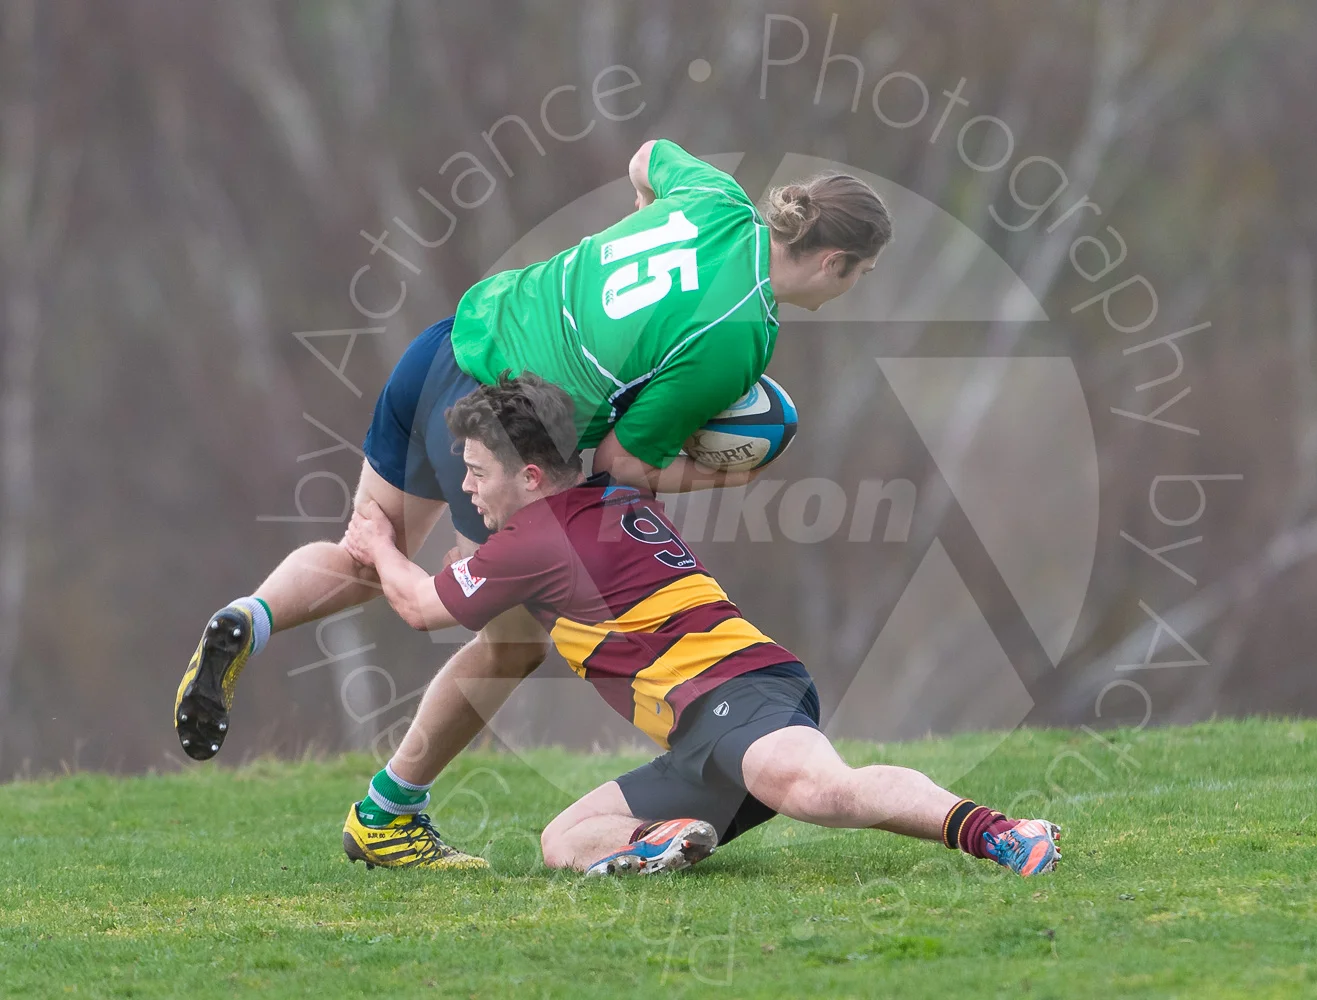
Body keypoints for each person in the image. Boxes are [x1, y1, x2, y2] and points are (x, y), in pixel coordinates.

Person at [173, 140, 893, 773]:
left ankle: (250, 616)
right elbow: (618, 467)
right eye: (861, 273)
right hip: (507, 426)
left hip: (454, 338)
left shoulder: (717, 195)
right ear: (832, 261)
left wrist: (639, 218)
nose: (856, 287)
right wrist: (724, 471)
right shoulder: (739, 337)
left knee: (366, 550)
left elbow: (648, 153)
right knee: (512, 646)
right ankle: (390, 812)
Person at [337, 376, 1061, 877]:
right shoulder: (609, 490)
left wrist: (376, 544)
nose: (466, 487)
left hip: (734, 693)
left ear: (530, 478)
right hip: (702, 733)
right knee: (566, 841)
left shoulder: (533, 540)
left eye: (476, 472)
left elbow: (421, 606)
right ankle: (665, 840)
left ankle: (1002, 832)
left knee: (822, 793)